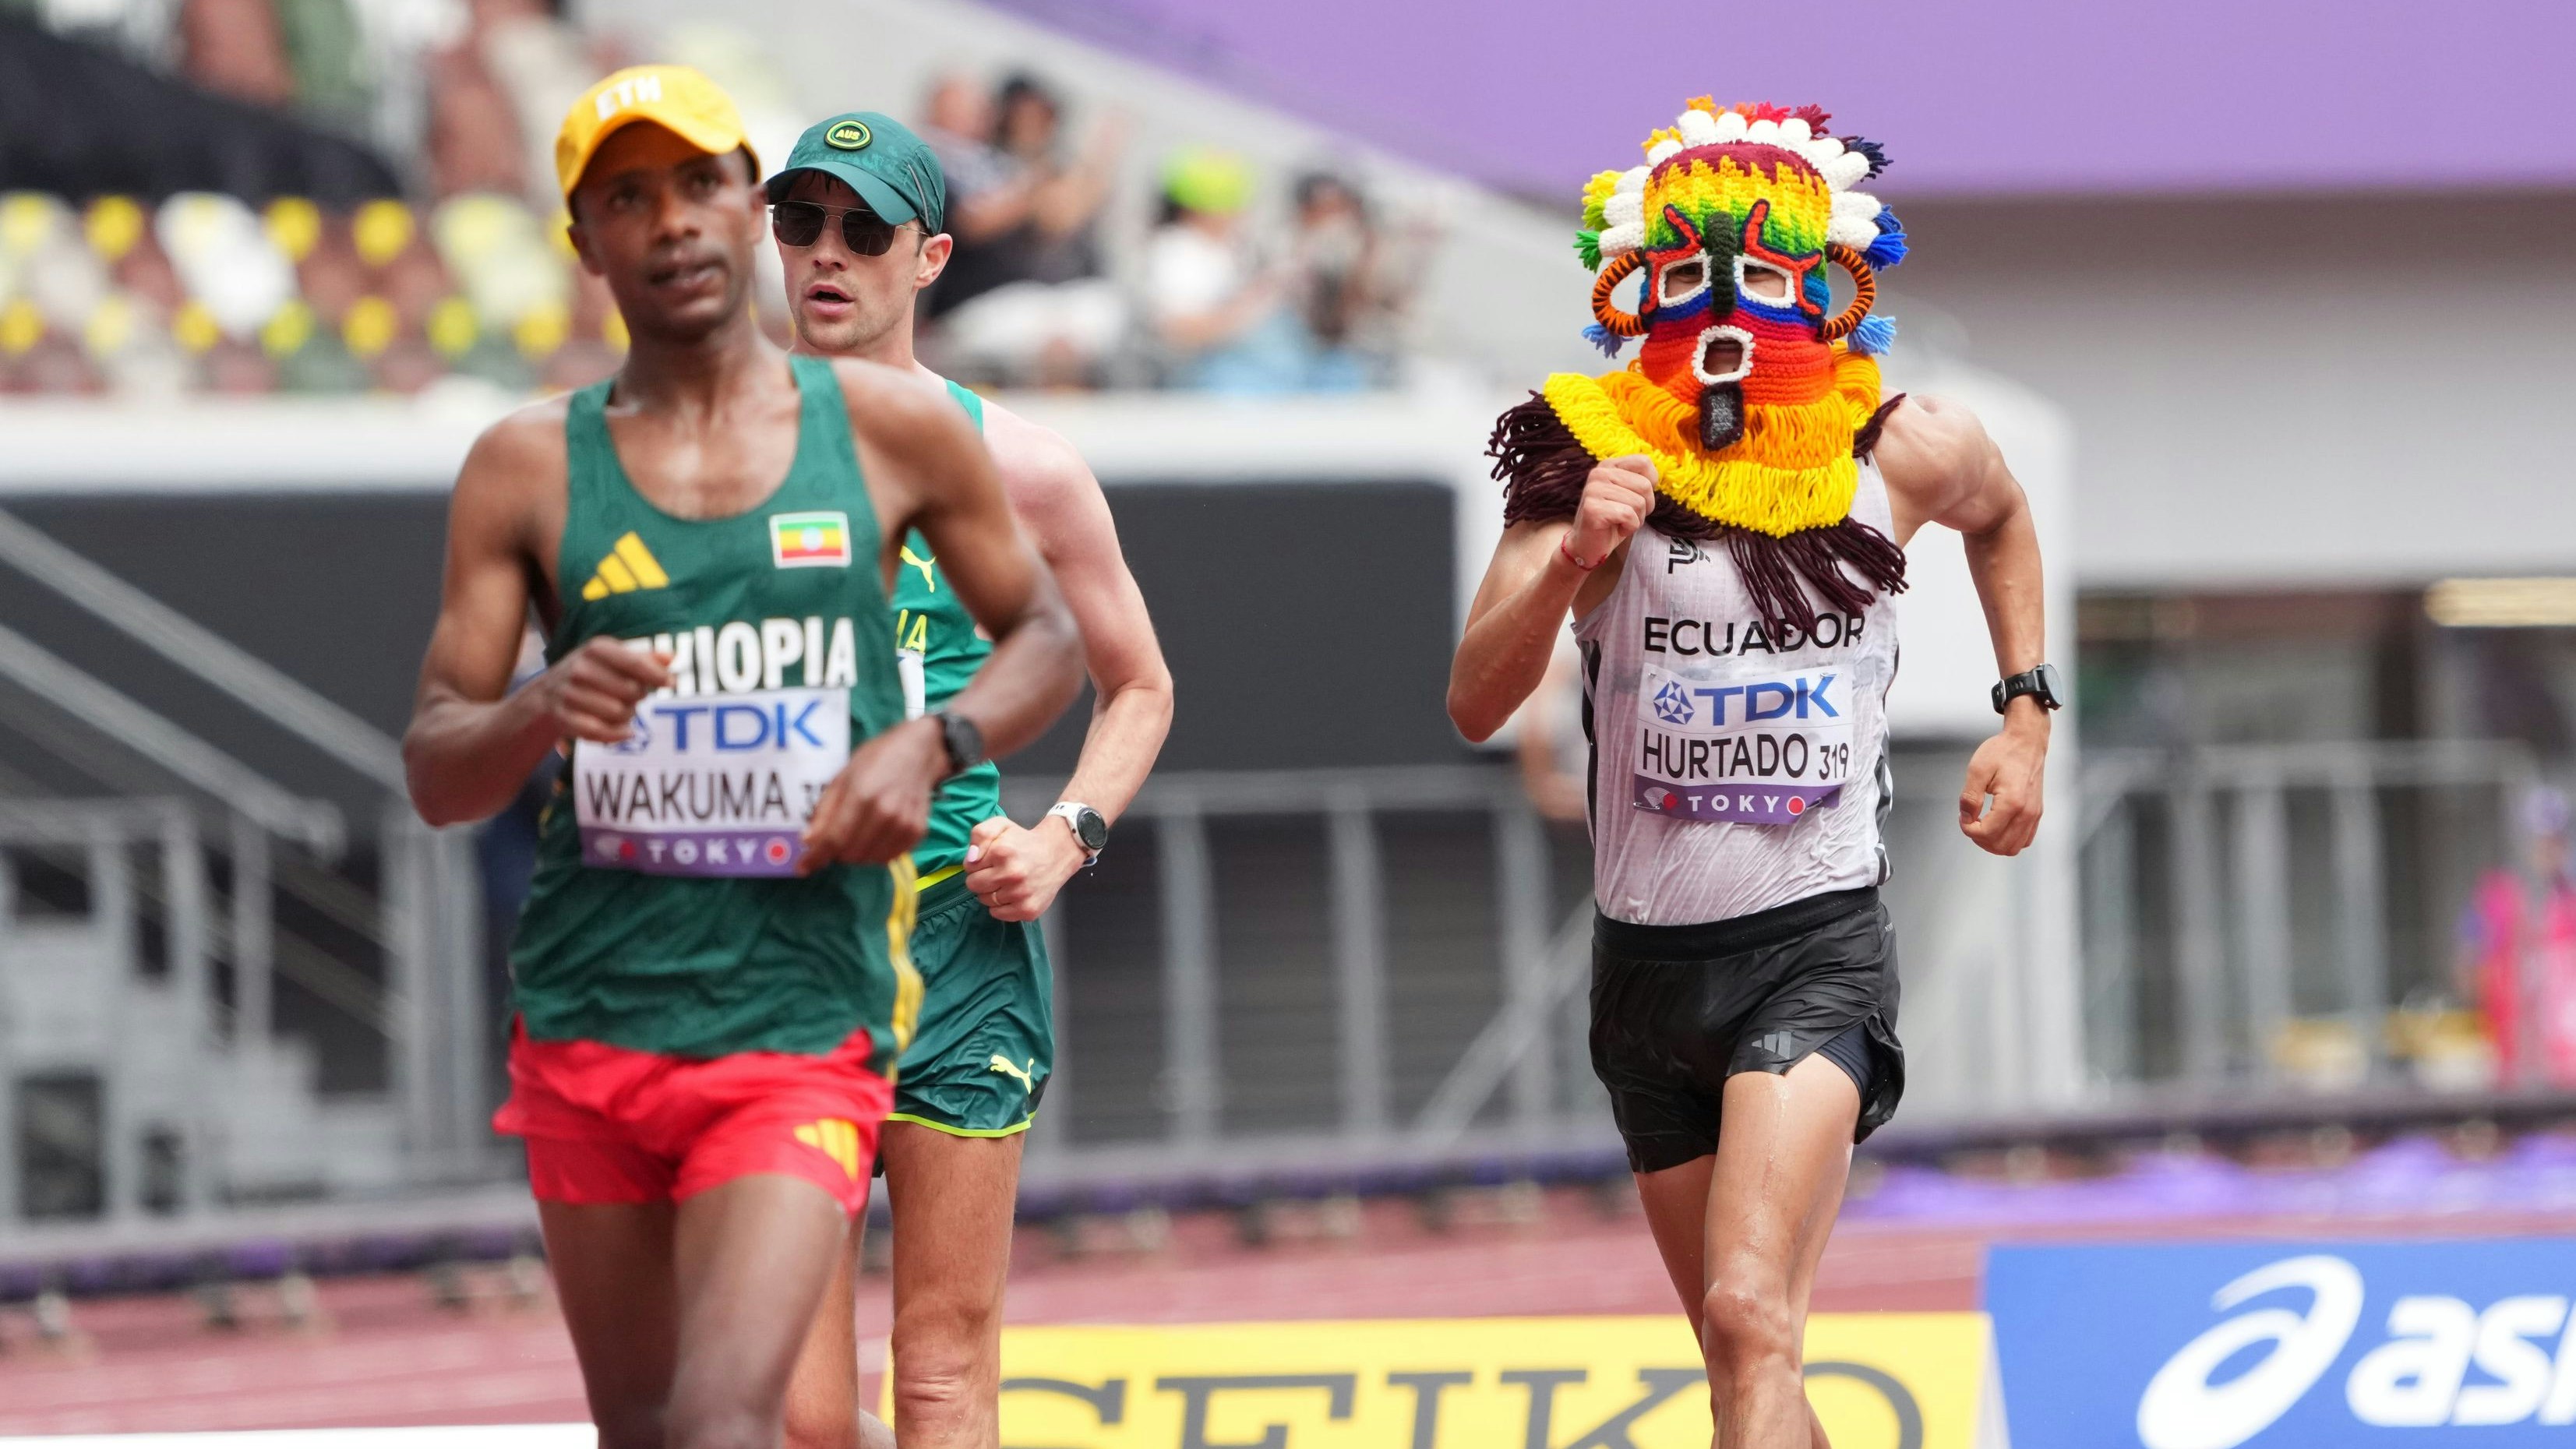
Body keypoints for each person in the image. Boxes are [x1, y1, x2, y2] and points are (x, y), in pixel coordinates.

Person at [399, 66, 1083, 1449]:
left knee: (738, 1415)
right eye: (626, 197)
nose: (674, 223)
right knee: (670, 1429)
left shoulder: (893, 434)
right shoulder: (523, 466)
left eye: (702, 184)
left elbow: (1054, 642)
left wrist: (939, 745)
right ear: (585, 240)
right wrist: (541, 709)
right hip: (599, 1005)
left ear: (731, 208)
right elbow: (436, 770)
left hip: (799, 1008)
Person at [1449, 100, 2054, 1447]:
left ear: (1829, 287)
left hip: (1812, 946)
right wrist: (1569, 559)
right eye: (1689, 278)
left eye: (1762, 279)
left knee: (1746, 1313)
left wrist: (2024, 713)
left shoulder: (1896, 444)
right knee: (1747, 1360)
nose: (1725, 312)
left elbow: (2002, 510)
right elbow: (1476, 701)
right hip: (1647, 972)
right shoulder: (1581, 455)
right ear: (1637, 288)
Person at [760, 113, 1172, 1449]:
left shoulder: (1031, 472)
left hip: (957, 945)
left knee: (939, 1378)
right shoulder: (698, 460)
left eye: (863, 230)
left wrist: (1065, 838)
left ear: (929, 257)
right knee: (801, 1414)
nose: (827, 255)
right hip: (774, 953)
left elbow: (1141, 686)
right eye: (800, 223)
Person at [2458, 786, 2576, 1086]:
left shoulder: (2570, 899)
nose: (2548, 849)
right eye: (2539, 840)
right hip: (2514, 1060)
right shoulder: (2496, 897)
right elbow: (2468, 970)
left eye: (2555, 839)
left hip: (2566, 1062)